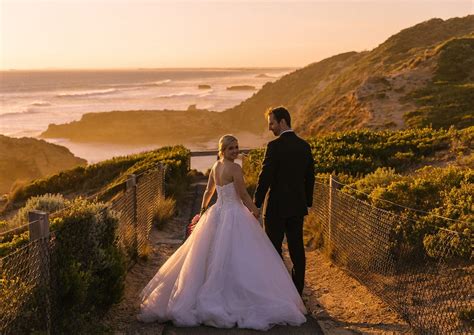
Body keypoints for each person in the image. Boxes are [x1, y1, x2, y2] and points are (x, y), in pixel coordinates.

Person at [137, 135, 306, 330]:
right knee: (239, 256)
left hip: (217, 212)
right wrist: (254, 209)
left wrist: (202, 212)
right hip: (234, 213)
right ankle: (235, 296)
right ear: (223, 150)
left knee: (211, 257)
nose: (235, 151)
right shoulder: (235, 168)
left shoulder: (216, 166)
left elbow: (209, 191)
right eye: (231, 148)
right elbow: (242, 194)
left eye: (236, 147)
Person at [254, 106, 315, 296]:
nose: (270, 128)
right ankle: (296, 292)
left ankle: (279, 292)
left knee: (273, 250)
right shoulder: (304, 146)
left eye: (272, 123)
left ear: (282, 122)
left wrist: (256, 202)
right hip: (297, 206)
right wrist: (307, 201)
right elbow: (310, 177)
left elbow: (265, 177)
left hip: (275, 207)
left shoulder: (274, 147)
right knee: (297, 250)